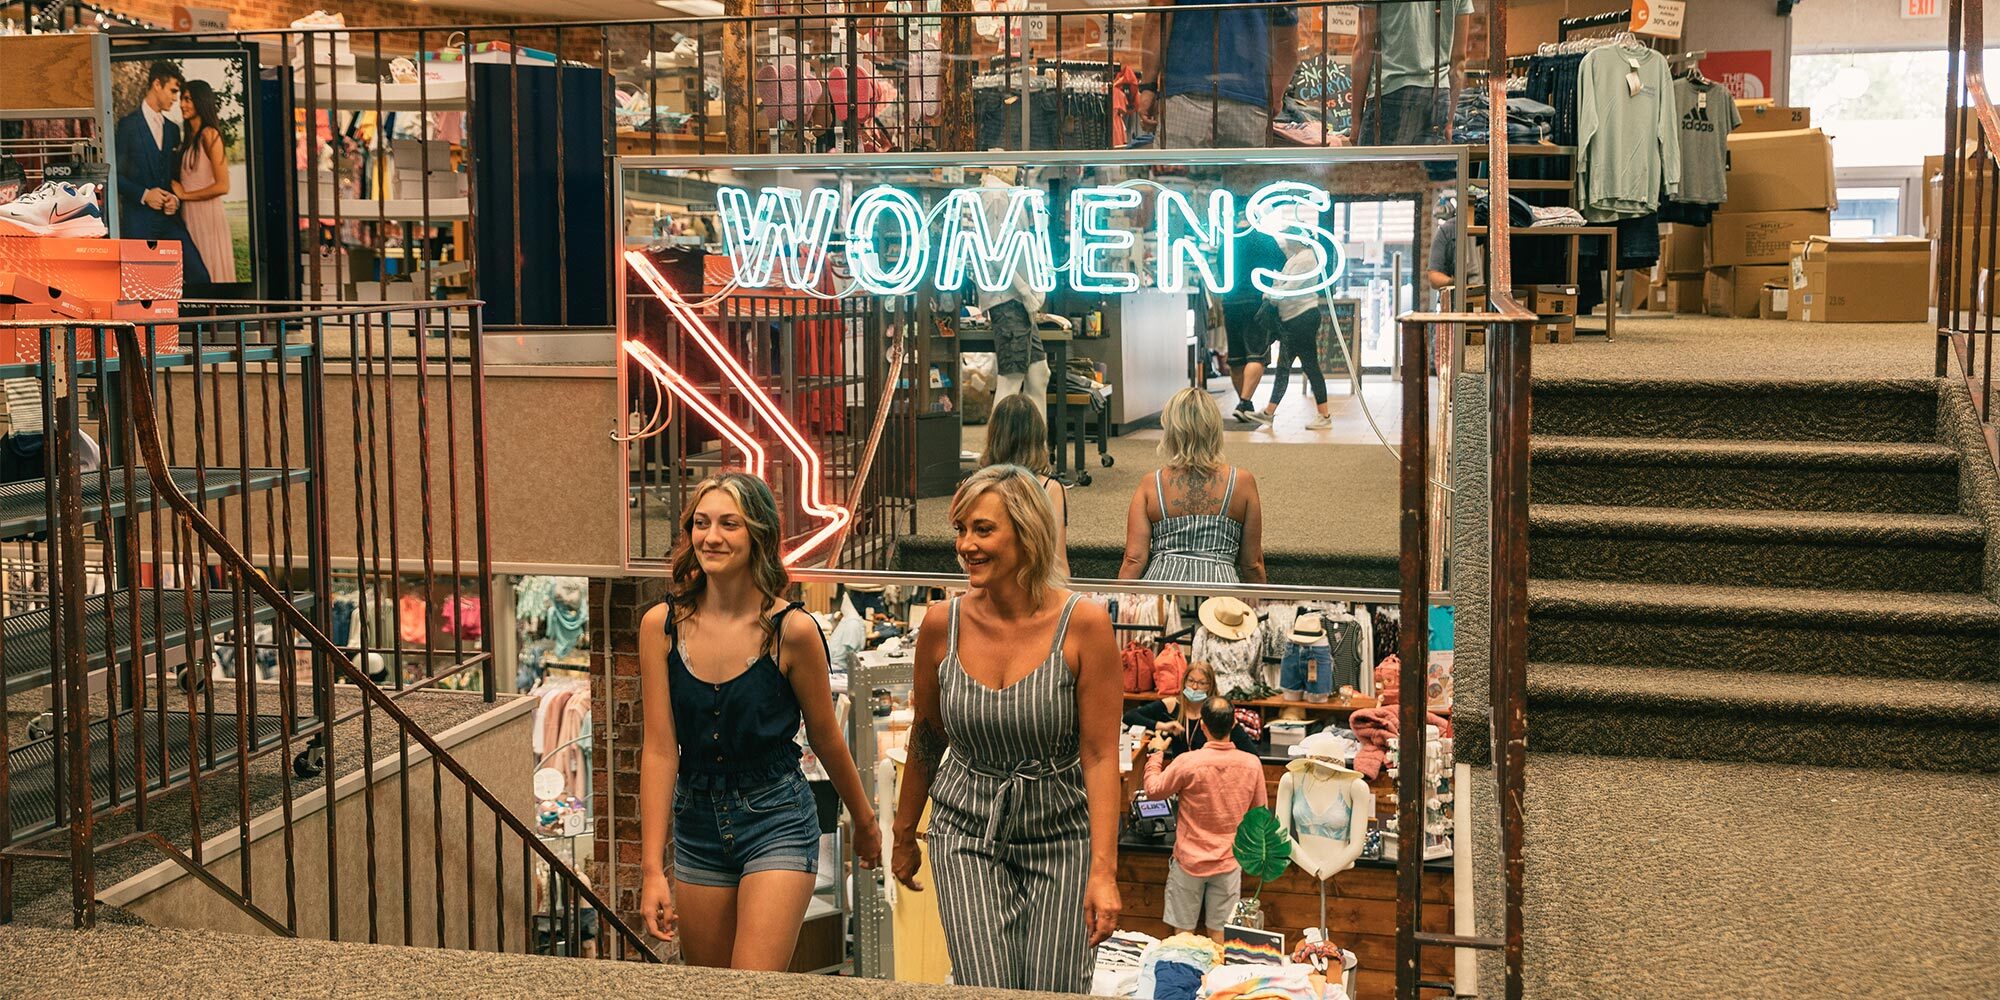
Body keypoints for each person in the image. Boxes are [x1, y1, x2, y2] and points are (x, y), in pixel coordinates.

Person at [891, 464, 1123, 993]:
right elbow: (927, 738)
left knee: (1055, 987)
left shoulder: (1084, 624)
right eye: (960, 530)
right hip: (964, 831)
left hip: (1062, 835)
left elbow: (1101, 755)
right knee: (985, 987)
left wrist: (1104, 871)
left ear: (1027, 532)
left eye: (982, 529)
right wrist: (904, 835)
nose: (965, 545)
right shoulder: (940, 624)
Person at [637, 473, 882, 970]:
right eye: (701, 523)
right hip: (698, 822)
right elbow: (661, 750)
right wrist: (650, 870)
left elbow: (827, 737)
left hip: (777, 817)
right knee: (711, 986)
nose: (712, 537)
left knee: (753, 987)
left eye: (730, 524)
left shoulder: (792, 630)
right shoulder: (659, 626)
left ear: (759, 536)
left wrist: (865, 819)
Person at [1142, 696, 1268, 941]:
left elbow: (1153, 789)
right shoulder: (1252, 765)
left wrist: (1156, 753)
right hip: (1229, 862)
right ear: (1233, 724)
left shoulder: (1188, 762)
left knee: (1182, 938)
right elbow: (1259, 815)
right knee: (1220, 938)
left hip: (1188, 861)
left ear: (1202, 725)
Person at [1121, 387, 1266, 584]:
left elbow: (1133, 559)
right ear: (1215, 429)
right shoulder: (1242, 482)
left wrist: (1122, 602)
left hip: (1162, 588)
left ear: (1171, 431)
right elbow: (1252, 563)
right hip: (1219, 592)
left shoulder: (1150, 484)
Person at [1139, 0, 1301, 149]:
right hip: (1250, 102)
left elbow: (1158, 17)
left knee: (1177, 178)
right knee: (1245, 180)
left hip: (1186, 97)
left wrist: (1148, 86)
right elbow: (1286, 42)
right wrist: (1275, 96)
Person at [114, 62, 210, 286]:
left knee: (200, 278)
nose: (176, 99)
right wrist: (145, 194)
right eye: (173, 91)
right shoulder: (127, 125)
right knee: (141, 285)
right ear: (157, 84)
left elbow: (174, 178)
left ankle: (191, 322)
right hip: (138, 221)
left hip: (170, 221)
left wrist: (175, 199)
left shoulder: (172, 130)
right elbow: (115, 176)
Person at [1350, 1, 1476, 146]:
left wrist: (1355, 119)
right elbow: (1459, 59)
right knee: (1426, 168)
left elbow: (1363, 49)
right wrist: (1449, 120)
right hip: (1437, 95)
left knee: (1376, 168)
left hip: (1390, 92)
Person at [981, 392, 1069, 576]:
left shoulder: (973, 486)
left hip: (988, 585)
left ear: (993, 434)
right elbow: (1057, 560)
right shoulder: (1052, 489)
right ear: (1038, 437)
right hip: (1033, 588)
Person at [1121, 661, 1257, 760]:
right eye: (1190, 681)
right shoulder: (1172, 705)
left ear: (1210, 686)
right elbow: (1129, 716)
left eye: (1201, 683)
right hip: (1181, 773)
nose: (1194, 687)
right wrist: (1162, 725)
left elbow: (1252, 753)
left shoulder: (1217, 712)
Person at [174, 79, 236, 284]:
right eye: (182, 99)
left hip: (207, 214)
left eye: (188, 99)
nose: (182, 104)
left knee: (208, 267)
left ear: (201, 101)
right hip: (189, 214)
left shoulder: (210, 135)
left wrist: (185, 195)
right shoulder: (189, 138)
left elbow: (223, 185)